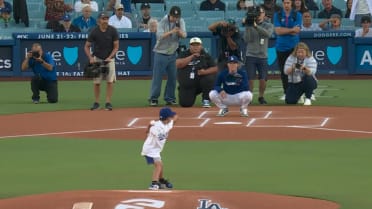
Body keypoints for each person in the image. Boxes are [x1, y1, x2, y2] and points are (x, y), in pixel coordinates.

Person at [148, 6, 187, 106]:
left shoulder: (180, 21)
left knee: (173, 77)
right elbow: (159, 36)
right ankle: (154, 98)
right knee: (158, 77)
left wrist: (179, 32)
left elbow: (185, 35)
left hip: (173, 53)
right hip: (161, 52)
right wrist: (172, 31)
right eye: (173, 16)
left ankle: (169, 98)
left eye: (177, 17)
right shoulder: (163, 21)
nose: (175, 19)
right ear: (170, 15)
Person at [84, 12, 119, 111]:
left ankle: (108, 102)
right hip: (98, 58)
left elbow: (116, 46)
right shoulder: (94, 31)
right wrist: (90, 58)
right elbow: (86, 46)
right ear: (99, 20)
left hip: (109, 59)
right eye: (103, 19)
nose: (105, 21)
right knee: (97, 82)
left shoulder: (113, 31)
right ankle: (97, 102)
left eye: (107, 19)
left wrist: (110, 57)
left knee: (110, 81)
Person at [141, 107, 178, 190]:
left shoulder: (167, 124)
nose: (171, 118)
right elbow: (155, 132)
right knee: (158, 165)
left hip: (156, 150)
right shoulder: (156, 127)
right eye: (170, 116)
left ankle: (161, 180)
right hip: (149, 150)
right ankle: (154, 183)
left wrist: (174, 115)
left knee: (161, 165)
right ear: (168, 118)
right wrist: (149, 127)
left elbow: (175, 118)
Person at [243, 6, 274, 105]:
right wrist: (248, 26)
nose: (259, 14)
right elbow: (246, 39)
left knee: (263, 78)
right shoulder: (249, 24)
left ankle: (261, 96)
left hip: (263, 55)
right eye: (258, 13)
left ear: (264, 14)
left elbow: (267, 34)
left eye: (261, 12)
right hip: (251, 54)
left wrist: (256, 26)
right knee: (250, 78)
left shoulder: (268, 25)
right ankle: (249, 97)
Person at [176, 37, 217, 108]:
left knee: (209, 78)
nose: (195, 47)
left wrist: (205, 72)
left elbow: (215, 68)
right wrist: (191, 57)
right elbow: (178, 64)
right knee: (185, 104)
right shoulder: (184, 54)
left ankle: (206, 100)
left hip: (200, 84)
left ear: (201, 46)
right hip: (187, 86)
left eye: (197, 45)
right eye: (193, 45)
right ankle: (187, 92)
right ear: (190, 46)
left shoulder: (205, 55)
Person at [273, 0, 302, 100]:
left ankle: (299, 93)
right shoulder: (277, 15)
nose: (286, 5)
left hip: (294, 48)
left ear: (291, 3)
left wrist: (284, 30)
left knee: (296, 70)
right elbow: (277, 31)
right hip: (281, 47)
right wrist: (291, 29)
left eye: (288, 2)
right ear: (282, 3)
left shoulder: (297, 15)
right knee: (284, 72)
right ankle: (287, 92)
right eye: (285, 2)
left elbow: (296, 31)